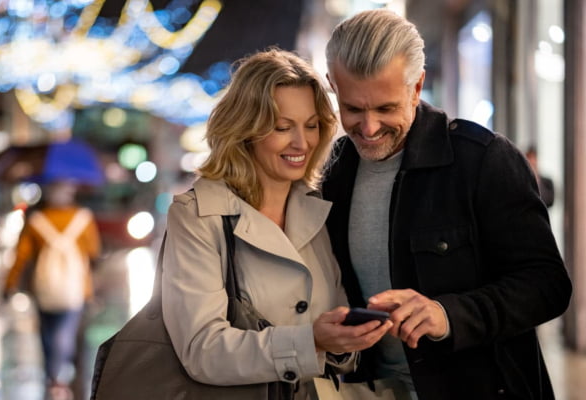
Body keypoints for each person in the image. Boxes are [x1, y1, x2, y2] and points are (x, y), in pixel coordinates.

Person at [321, 9, 572, 400]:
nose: (368, 129)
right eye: (353, 109)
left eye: (386, 108)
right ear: (333, 87)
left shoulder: (483, 159)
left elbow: (547, 285)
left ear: (417, 86)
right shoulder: (333, 172)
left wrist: (447, 315)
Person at [161, 48, 391, 400]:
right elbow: (201, 350)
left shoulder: (320, 204)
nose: (302, 143)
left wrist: (347, 340)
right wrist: (309, 341)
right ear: (246, 129)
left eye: (311, 126)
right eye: (283, 127)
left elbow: (336, 341)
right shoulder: (198, 215)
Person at [3, 180, 101, 400]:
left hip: (43, 288)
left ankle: (52, 375)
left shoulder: (37, 220)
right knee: (64, 331)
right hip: (75, 289)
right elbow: (94, 253)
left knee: (47, 333)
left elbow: (21, 256)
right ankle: (58, 378)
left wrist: (9, 284)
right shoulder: (83, 219)